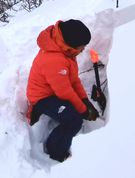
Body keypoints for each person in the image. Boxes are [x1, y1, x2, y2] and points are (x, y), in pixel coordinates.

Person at [26, 19, 99, 162]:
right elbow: (64, 92)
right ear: (71, 45)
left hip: (53, 91)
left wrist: (85, 101)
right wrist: (83, 111)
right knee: (74, 120)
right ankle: (55, 151)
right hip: (42, 98)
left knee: (75, 110)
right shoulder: (54, 60)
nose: (83, 50)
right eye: (81, 47)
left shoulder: (66, 52)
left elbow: (74, 81)